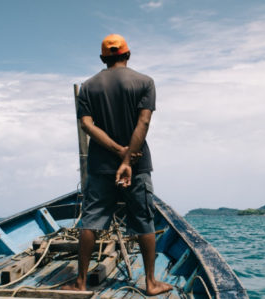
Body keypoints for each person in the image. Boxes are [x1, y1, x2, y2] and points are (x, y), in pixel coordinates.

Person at [61, 34, 173, 296]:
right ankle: (150, 282)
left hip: (100, 164)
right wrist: (127, 158)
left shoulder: (88, 86)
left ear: (103, 58)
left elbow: (87, 125)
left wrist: (115, 151)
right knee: (144, 219)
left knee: (90, 221)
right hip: (137, 163)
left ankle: (80, 282)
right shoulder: (145, 82)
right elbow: (143, 124)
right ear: (128, 55)